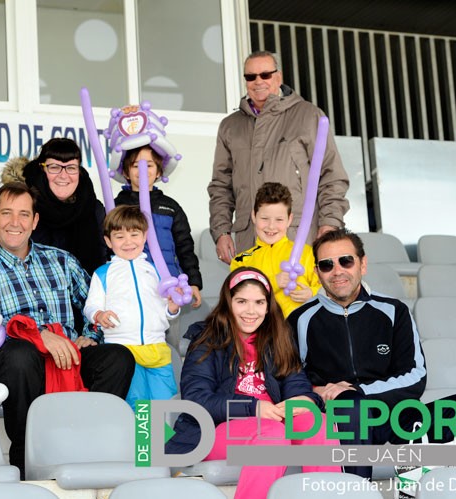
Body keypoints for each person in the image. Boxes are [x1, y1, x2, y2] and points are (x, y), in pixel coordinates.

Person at [287, 228, 456, 479]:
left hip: (396, 416)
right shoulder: (300, 319)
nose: (337, 270)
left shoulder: (394, 311)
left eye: (346, 260)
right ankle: (357, 493)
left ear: (362, 264)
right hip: (342, 419)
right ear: (318, 273)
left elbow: (416, 376)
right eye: (327, 265)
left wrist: (359, 390)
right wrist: (318, 392)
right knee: (352, 406)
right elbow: (289, 380)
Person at [0, 182, 135, 476]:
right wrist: (40, 337)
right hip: (23, 355)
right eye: (6, 213)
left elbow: (93, 307)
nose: (15, 223)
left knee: (118, 358)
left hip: (69, 354)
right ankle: (26, 453)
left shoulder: (61, 259)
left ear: (35, 221)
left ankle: (88, 446)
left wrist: (90, 336)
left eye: (24, 214)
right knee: (18, 355)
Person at [166, 266, 340, 499]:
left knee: (317, 423)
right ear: (228, 303)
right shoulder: (207, 339)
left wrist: (304, 400)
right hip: (215, 431)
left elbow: (297, 383)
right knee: (271, 433)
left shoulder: (279, 338)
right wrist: (253, 407)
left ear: (268, 307)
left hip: (274, 423)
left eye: (259, 302)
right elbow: (197, 400)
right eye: (242, 302)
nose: (251, 311)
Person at [208, 50, 350, 264]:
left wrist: (329, 223)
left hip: (299, 237)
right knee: (253, 296)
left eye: (265, 75)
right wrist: (221, 231)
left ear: (278, 77)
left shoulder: (308, 115)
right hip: (249, 240)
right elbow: (221, 185)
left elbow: (332, 175)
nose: (258, 81)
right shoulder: (230, 126)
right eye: (250, 76)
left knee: (298, 296)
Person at [84, 205, 180, 409]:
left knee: (167, 402)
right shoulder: (103, 273)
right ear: (108, 241)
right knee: (139, 403)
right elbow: (90, 307)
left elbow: (166, 310)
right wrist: (99, 314)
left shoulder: (156, 271)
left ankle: (165, 441)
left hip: (157, 347)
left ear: (145, 237)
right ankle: (144, 442)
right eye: (119, 236)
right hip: (124, 349)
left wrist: (172, 308)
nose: (128, 242)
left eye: (134, 234)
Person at [0, 137, 108, 274]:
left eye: (71, 167)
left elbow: (102, 261)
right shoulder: (18, 201)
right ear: (42, 169)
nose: (63, 175)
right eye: (54, 167)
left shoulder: (92, 208)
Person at [114, 145, 203, 307]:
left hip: (169, 288)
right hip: (130, 288)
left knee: (169, 329)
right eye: (135, 165)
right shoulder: (117, 206)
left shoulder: (171, 207)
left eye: (148, 165)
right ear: (126, 172)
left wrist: (194, 282)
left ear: (159, 171)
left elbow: (185, 248)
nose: (142, 170)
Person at [230, 182, 320, 317]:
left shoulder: (307, 253)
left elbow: (325, 287)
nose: (271, 226)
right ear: (254, 216)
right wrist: (271, 282)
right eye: (265, 218)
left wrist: (312, 294)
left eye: (279, 219)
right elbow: (238, 295)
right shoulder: (241, 261)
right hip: (261, 333)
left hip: (298, 330)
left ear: (289, 220)